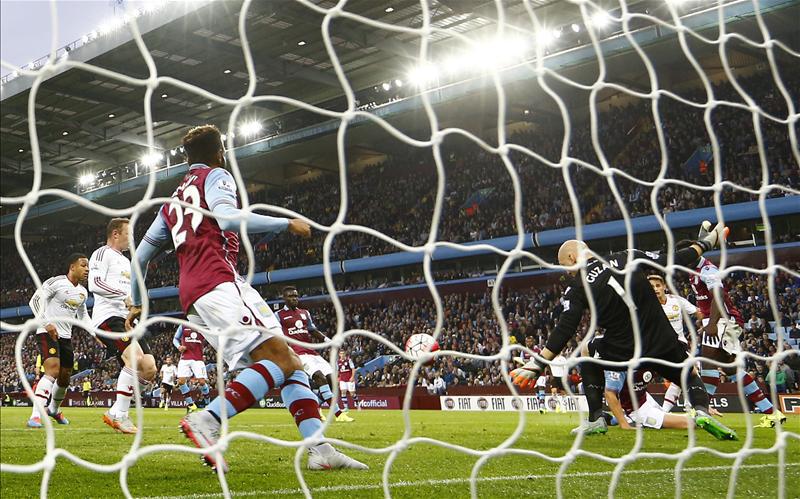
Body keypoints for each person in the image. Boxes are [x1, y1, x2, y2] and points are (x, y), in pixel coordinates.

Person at [126, 125, 366, 472]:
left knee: (290, 365)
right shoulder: (217, 176)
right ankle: (207, 420)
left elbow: (140, 258)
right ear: (220, 152)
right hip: (220, 282)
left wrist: (136, 302)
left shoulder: (171, 203)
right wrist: (285, 223)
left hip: (194, 297)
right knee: (281, 360)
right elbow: (226, 218)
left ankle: (321, 449)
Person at [511, 222, 737, 440]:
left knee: (587, 352)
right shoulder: (627, 255)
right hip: (661, 338)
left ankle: (595, 418)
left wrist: (539, 364)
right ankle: (702, 411)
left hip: (623, 347)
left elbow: (566, 327)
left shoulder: (577, 287)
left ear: (572, 258)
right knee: (690, 373)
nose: (569, 273)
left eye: (567, 268)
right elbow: (672, 260)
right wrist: (706, 243)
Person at [677, 237, 786, 427]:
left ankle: (701, 410)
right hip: (719, 321)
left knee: (708, 362)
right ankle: (771, 412)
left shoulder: (707, 269)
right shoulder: (692, 270)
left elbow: (717, 295)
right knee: (731, 369)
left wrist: (712, 323)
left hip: (724, 321)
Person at [90, 218, 157, 435]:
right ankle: (120, 414)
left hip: (127, 319)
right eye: (129, 234)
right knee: (133, 359)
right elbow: (95, 283)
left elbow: (131, 295)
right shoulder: (102, 253)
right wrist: (124, 296)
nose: (132, 239)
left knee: (149, 367)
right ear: (116, 234)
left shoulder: (127, 262)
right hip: (109, 316)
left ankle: (116, 409)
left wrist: (135, 306)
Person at [27, 253, 90, 428]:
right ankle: (36, 415)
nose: (87, 270)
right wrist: (46, 323)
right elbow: (34, 301)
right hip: (46, 332)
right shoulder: (56, 282)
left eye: (88, 267)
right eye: (83, 265)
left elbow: (83, 316)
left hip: (66, 337)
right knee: (52, 371)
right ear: (72, 267)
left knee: (64, 378)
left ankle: (53, 410)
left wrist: (95, 333)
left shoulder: (83, 292)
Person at [277, 286, 353, 423]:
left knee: (332, 381)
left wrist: (329, 341)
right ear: (284, 298)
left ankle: (315, 407)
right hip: (298, 353)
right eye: (290, 296)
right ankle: (338, 414)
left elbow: (313, 330)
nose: (294, 299)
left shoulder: (305, 313)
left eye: (296, 296)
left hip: (312, 351)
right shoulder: (278, 315)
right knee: (319, 377)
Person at [646, 274, 704, 413]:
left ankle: (681, 409)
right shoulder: (646, 306)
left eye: (658, 285)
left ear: (664, 286)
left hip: (678, 345)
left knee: (689, 372)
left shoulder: (677, 301)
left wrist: (702, 324)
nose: (655, 289)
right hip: (655, 347)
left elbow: (698, 312)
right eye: (651, 287)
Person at [604, 370, 691, 430]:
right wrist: (624, 425)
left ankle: (616, 419)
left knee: (682, 376)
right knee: (689, 423)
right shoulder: (621, 362)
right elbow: (609, 393)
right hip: (638, 413)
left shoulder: (651, 356)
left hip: (648, 401)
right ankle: (629, 419)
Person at [173, 326, 209, 412]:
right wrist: (179, 346)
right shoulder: (183, 326)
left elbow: (212, 337)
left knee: (202, 382)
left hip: (198, 359)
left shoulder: (202, 325)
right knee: (181, 381)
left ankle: (208, 404)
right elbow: (175, 338)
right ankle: (190, 404)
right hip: (185, 357)